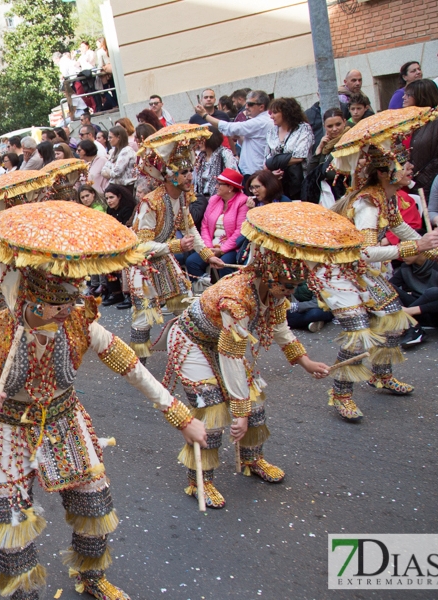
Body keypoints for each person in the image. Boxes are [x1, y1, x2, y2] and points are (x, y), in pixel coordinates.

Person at [0, 200, 206, 600]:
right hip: (9, 429)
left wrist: (180, 416)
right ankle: (24, 594)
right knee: (13, 523)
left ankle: (90, 578)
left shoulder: (78, 323)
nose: (64, 312)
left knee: (94, 505)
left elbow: (131, 368)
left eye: (68, 303)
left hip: (64, 419)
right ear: (31, 300)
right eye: (56, 305)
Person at [159, 203, 336, 508]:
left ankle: (252, 460)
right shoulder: (238, 298)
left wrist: (305, 362)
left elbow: (280, 329)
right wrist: (236, 410)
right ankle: (200, 481)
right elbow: (230, 356)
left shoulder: (275, 292)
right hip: (193, 342)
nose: (289, 292)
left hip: (224, 343)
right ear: (269, 276)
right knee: (212, 413)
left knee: (255, 405)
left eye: (294, 287)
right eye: (286, 286)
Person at [321, 142, 438, 422]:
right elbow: (366, 252)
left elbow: (400, 228)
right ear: (385, 173)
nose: (410, 170)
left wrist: (436, 253)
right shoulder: (367, 205)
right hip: (338, 274)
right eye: (404, 166)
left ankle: (380, 376)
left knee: (394, 320)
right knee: (359, 334)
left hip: (362, 271)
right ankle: (341, 394)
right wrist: (417, 247)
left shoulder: (387, 197)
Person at [128, 128, 211, 360]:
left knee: (184, 302)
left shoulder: (183, 196)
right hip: (142, 264)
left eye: (190, 171)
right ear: (168, 175)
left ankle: (191, 352)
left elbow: (189, 227)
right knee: (145, 315)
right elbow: (141, 247)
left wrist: (206, 255)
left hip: (163, 257)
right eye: (183, 172)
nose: (189, 177)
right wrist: (175, 247)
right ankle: (139, 365)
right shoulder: (150, 203)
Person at [186, 169, 249, 280]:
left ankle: (226, 294)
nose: (216, 187)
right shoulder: (214, 199)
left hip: (232, 248)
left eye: (220, 184)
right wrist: (209, 248)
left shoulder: (242, 202)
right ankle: (203, 291)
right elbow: (205, 225)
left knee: (224, 264)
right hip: (211, 246)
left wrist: (222, 250)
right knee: (192, 261)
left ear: (230, 188)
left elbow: (240, 231)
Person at [200, 90, 271, 176]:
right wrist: (239, 137)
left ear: (261, 107)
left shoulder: (261, 121)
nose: (246, 106)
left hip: (256, 172)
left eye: (250, 104)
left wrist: (205, 116)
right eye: (246, 103)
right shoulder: (261, 120)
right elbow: (251, 143)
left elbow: (230, 128)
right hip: (253, 170)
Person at [264, 97, 315, 201]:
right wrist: (272, 172)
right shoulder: (271, 132)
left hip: (299, 181)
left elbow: (299, 156)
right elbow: (266, 159)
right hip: (277, 182)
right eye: (271, 113)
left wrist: (273, 162)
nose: (272, 116)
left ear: (286, 112)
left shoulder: (303, 128)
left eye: (275, 113)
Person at [303, 108, 351, 207]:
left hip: (344, 194)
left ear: (344, 122)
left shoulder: (349, 141)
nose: (334, 129)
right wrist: (319, 148)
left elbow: (329, 172)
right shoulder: (326, 145)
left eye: (338, 124)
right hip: (327, 195)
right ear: (324, 126)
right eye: (330, 126)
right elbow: (310, 171)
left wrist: (320, 172)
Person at [193, 126, 238, 210]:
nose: (199, 142)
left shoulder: (224, 153)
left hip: (221, 198)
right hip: (202, 200)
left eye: (202, 139)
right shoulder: (200, 157)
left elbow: (234, 176)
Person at [100, 125, 137, 190]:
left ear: (118, 137)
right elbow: (103, 170)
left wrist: (109, 171)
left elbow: (116, 173)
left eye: (110, 137)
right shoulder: (114, 151)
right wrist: (111, 170)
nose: (108, 140)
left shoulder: (126, 151)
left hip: (126, 187)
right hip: (116, 186)